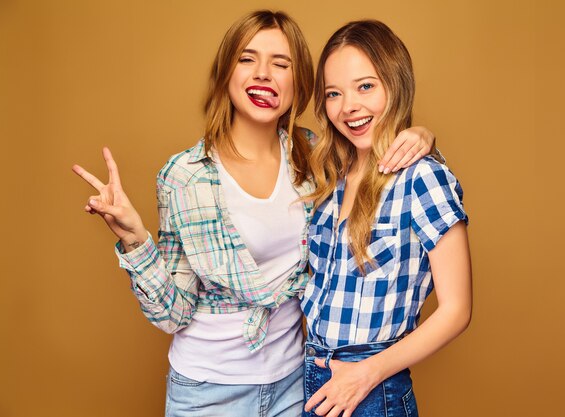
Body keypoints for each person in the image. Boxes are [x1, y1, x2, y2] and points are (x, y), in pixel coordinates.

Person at [73, 10, 436, 417]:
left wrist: (420, 134)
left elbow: (376, 151)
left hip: (296, 385)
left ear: (298, 83)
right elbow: (172, 314)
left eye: (280, 64)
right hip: (206, 391)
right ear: (226, 73)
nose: (263, 73)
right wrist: (135, 239)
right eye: (247, 59)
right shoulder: (184, 178)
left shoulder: (315, 157)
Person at [302, 20, 473, 417]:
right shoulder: (330, 174)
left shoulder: (423, 176)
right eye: (333, 93)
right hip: (312, 377)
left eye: (365, 86)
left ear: (394, 84)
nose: (349, 107)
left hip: (372, 388)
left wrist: (366, 375)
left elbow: (457, 310)